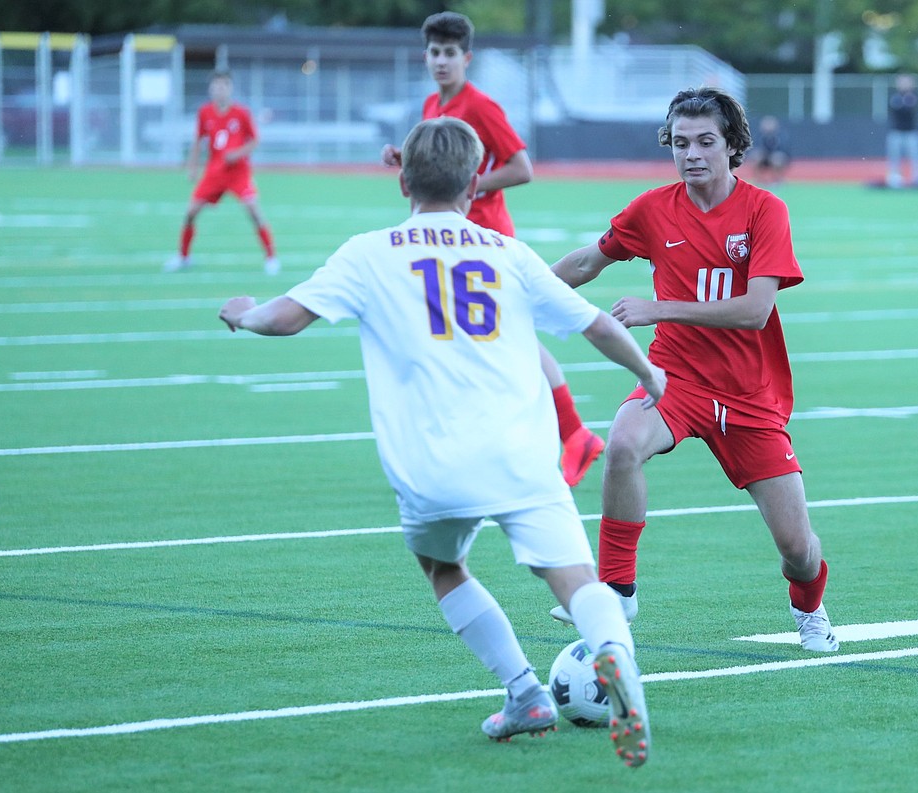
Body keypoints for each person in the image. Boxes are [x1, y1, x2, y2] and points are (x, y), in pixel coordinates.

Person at [218, 117, 660, 766]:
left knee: (443, 565)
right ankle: (615, 659)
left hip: (433, 464)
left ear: (400, 177)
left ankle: (524, 693)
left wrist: (244, 313)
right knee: (574, 578)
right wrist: (648, 371)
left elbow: (287, 317)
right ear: (477, 182)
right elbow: (593, 323)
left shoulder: (369, 252)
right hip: (520, 452)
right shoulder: (507, 252)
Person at [548, 87, 839, 654]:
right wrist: (512, 290)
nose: (692, 154)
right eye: (680, 143)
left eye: (706, 142)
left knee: (798, 550)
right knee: (624, 445)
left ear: (733, 147)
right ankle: (617, 591)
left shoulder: (764, 210)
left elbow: (756, 311)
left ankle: (810, 612)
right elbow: (586, 262)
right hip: (675, 378)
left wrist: (659, 307)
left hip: (751, 396)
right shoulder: (653, 208)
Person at [381, 11, 604, 487]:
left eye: (450, 54)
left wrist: (469, 183)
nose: (441, 61)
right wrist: (407, 160)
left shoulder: (479, 106)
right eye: (434, 53)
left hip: (484, 239)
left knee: (505, 337)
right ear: (426, 56)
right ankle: (556, 434)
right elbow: (441, 164)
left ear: (467, 57)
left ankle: (572, 433)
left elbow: (522, 167)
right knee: (475, 338)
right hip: (449, 241)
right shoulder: (431, 104)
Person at [165, 70, 279, 275]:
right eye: (216, 86)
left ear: (230, 88)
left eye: (224, 85)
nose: (220, 90)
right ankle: (183, 256)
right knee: (191, 212)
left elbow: (254, 140)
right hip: (214, 172)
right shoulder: (205, 112)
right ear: (211, 89)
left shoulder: (241, 113)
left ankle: (271, 257)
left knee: (253, 210)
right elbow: (198, 141)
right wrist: (192, 167)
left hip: (238, 172)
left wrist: (237, 154)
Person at [886, 74, 918, 188]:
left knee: (916, 157)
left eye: (906, 82)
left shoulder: (915, 96)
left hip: (911, 132)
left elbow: (909, 110)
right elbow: (896, 110)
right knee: (894, 158)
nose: (903, 84)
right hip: (896, 132)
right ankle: (894, 179)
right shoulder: (894, 96)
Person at [749, 115, 790, 185]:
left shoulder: (781, 136)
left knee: (777, 158)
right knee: (755, 157)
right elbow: (755, 148)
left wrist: (775, 155)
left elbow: (784, 150)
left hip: (775, 158)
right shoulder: (759, 136)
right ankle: (759, 180)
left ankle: (777, 180)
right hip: (764, 157)